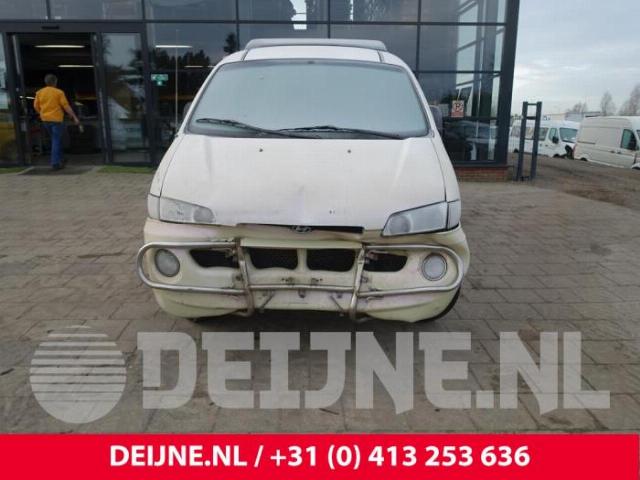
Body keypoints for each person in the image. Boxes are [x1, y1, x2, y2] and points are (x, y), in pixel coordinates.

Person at [33, 74, 80, 170]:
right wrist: (74, 117)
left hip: (45, 120)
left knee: (55, 140)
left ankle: (61, 158)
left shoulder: (39, 93)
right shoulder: (59, 92)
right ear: (55, 82)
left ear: (46, 82)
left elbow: (35, 106)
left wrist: (41, 113)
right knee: (56, 140)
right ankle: (55, 163)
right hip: (56, 120)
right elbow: (66, 106)